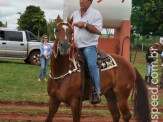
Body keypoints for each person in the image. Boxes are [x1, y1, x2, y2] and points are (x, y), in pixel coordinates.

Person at [71, 0, 103, 103]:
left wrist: (85, 24)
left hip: (88, 46)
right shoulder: (74, 14)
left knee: (91, 65)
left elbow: (98, 30)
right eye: (80, 0)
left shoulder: (96, 14)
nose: (81, 1)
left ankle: (96, 91)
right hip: (74, 45)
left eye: (84, 0)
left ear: (90, 1)